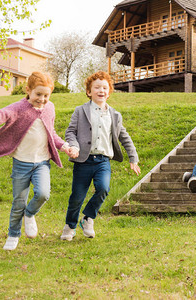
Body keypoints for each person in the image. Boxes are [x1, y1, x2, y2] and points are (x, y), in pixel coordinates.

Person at [0, 72, 74, 250]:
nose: (42, 99)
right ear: (28, 90)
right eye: (38, 94)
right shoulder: (19, 107)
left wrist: (64, 146)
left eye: (46, 95)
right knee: (18, 201)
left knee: (43, 193)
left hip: (42, 162)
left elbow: (51, 133)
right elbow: (2, 115)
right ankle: (13, 235)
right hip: (21, 163)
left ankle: (29, 214)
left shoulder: (50, 108)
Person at [60, 71, 141, 241]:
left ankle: (88, 218)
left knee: (103, 188)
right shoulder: (80, 111)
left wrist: (133, 158)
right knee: (77, 197)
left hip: (103, 161)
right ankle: (70, 225)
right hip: (83, 161)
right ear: (89, 91)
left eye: (105, 87)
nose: (101, 90)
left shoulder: (115, 115)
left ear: (109, 92)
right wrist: (73, 146)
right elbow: (70, 132)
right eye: (96, 87)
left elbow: (124, 137)